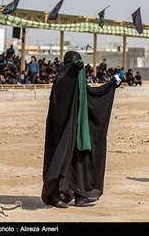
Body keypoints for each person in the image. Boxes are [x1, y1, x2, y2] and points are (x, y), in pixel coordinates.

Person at [41, 51, 121, 208]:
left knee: (80, 160)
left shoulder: (75, 79)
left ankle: (80, 194)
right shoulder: (64, 79)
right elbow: (63, 99)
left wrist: (111, 86)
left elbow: (88, 95)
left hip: (77, 129)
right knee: (61, 160)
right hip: (64, 132)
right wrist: (75, 66)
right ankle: (54, 195)